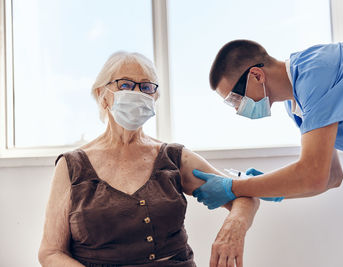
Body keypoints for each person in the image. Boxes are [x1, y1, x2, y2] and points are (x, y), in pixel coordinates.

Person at [38, 51, 259, 267]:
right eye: (125, 84)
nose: (136, 93)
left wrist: (233, 229)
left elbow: (246, 194)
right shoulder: (72, 165)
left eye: (146, 87)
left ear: (154, 97)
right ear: (101, 94)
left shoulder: (174, 158)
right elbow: (50, 253)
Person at [191, 40, 343, 266]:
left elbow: (313, 174)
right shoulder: (296, 108)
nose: (236, 108)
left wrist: (232, 187)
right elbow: (331, 177)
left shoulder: (317, 69)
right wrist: (266, 187)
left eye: (234, 98)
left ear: (257, 75)